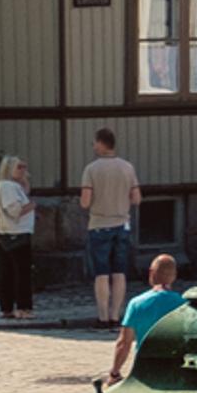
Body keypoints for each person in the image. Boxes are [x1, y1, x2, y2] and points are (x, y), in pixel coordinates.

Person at [77, 130, 140, 325]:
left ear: (101, 144)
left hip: (99, 225)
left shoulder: (91, 169)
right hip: (122, 224)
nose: (94, 147)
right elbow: (136, 198)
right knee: (119, 272)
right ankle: (116, 315)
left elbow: (85, 202)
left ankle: (103, 316)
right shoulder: (127, 168)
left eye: (95, 143)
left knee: (101, 273)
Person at [104, 252, 186, 384]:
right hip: (175, 368)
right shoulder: (184, 305)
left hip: (145, 368)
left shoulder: (136, 303)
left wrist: (114, 372)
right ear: (174, 276)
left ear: (151, 273)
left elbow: (124, 343)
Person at [0, 156, 38, 321]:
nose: (23, 170)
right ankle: (23, 307)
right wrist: (31, 206)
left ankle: (7, 307)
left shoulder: (8, 186)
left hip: (11, 232)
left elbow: (23, 193)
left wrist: (24, 182)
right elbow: (14, 210)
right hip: (17, 233)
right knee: (21, 272)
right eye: (19, 167)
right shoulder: (8, 187)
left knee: (8, 272)